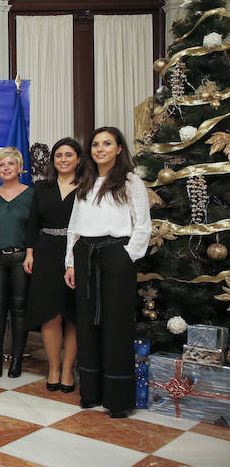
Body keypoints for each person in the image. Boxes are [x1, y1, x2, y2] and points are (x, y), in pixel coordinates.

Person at [65, 127, 150, 418]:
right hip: (85, 254)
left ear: (118, 148)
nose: (100, 149)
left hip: (116, 254)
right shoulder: (85, 182)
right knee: (88, 325)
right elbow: (74, 227)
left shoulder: (130, 181)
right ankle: (91, 393)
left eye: (107, 144)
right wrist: (70, 262)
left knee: (116, 325)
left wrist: (128, 256)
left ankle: (117, 398)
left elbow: (143, 224)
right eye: (95, 144)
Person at [24, 138, 81, 392]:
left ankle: (69, 370)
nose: (63, 159)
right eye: (59, 155)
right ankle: (54, 368)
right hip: (46, 252)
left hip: (78, 253)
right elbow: (32, 223)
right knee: (50, 314)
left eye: (69, 155)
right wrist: (30, 253)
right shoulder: (41, 187)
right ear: (53, 160)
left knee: (73, 315)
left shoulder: (88, 187)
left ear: (79, 159)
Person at [0, 147, 33, 378]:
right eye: (2, 165)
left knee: (19, 311)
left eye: (11, 164)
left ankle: (16, 362)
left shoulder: (32, 195)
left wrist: (31, 254)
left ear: (20, 167)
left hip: (22, 259)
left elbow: (35, 229)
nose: (6, 168)